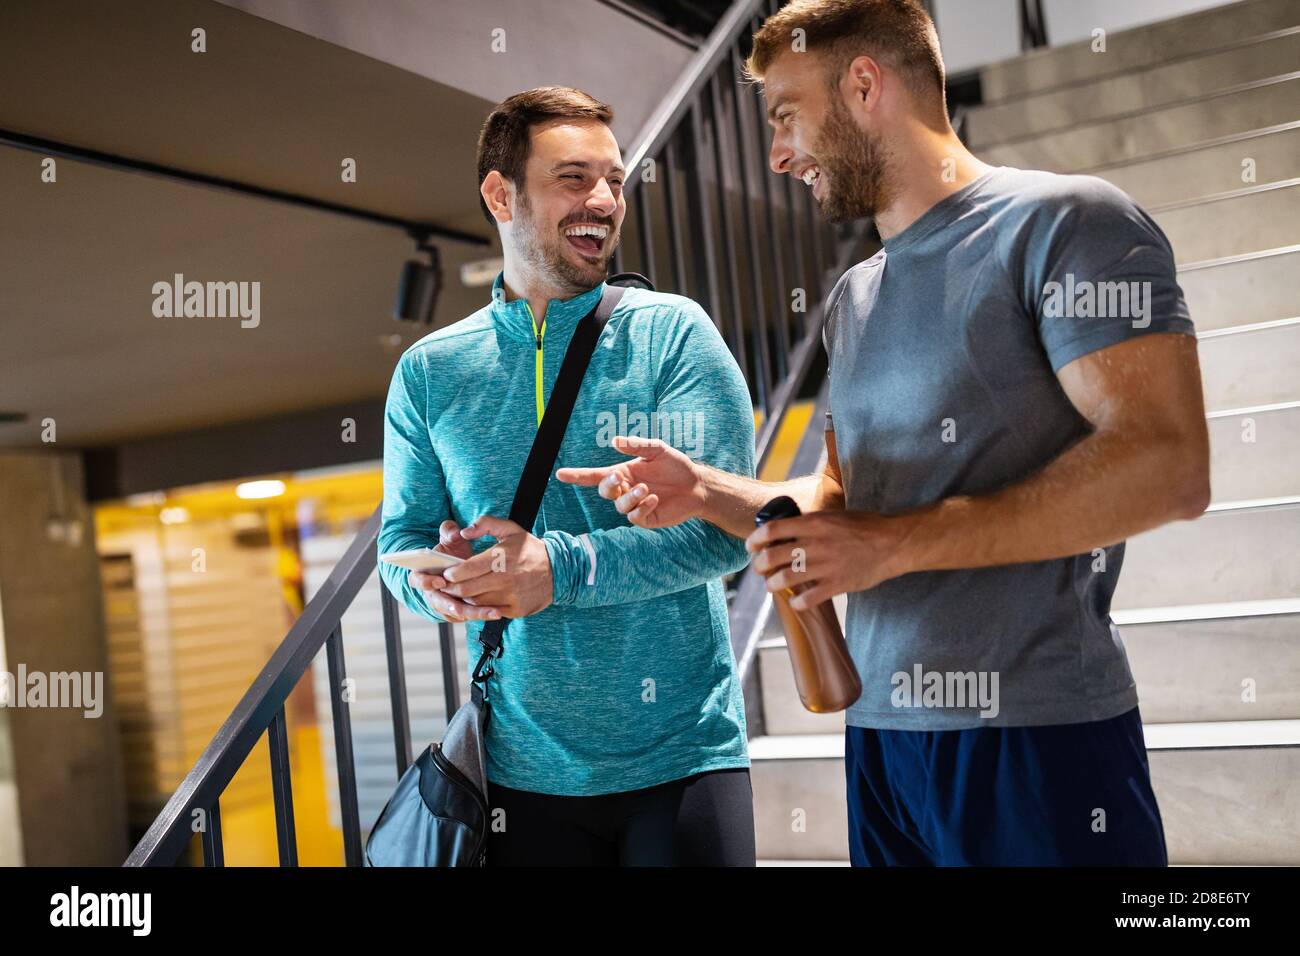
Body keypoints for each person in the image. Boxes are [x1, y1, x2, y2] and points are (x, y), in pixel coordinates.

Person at [559, 0, 1210, 866]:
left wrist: (892, 547)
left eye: (787, 116)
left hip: (1036, 737)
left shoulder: (1066, 223)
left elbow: (1168, 466)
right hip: (882, 742)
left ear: (865, 84)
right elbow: (847, 497)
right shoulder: (855, 295)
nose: (779, 155)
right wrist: (707, 491)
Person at [377, 87, 758, 865]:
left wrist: (561, 569)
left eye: (614, 180)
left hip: (682, 757)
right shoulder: (432, 371)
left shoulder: (673, 336)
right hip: (520, 771)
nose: (605, 200)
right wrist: (430, 582)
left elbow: (731, 534)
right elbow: (400, 539)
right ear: (500, 194)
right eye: (574, 178)